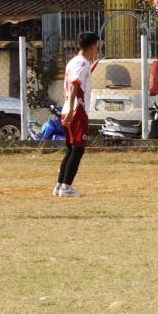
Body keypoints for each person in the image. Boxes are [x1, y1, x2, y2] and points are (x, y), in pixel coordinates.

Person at [55, 31, 98, 197]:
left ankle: (60, 185)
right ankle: (66, 188)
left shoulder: (73, 61)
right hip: (76, 111)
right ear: (92, 46)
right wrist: (73, 110)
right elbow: (74, 85)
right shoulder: (83, 63)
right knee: (78, 150)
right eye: (96, 46)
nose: (96, 49)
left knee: (71, 149)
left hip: (67, 109)